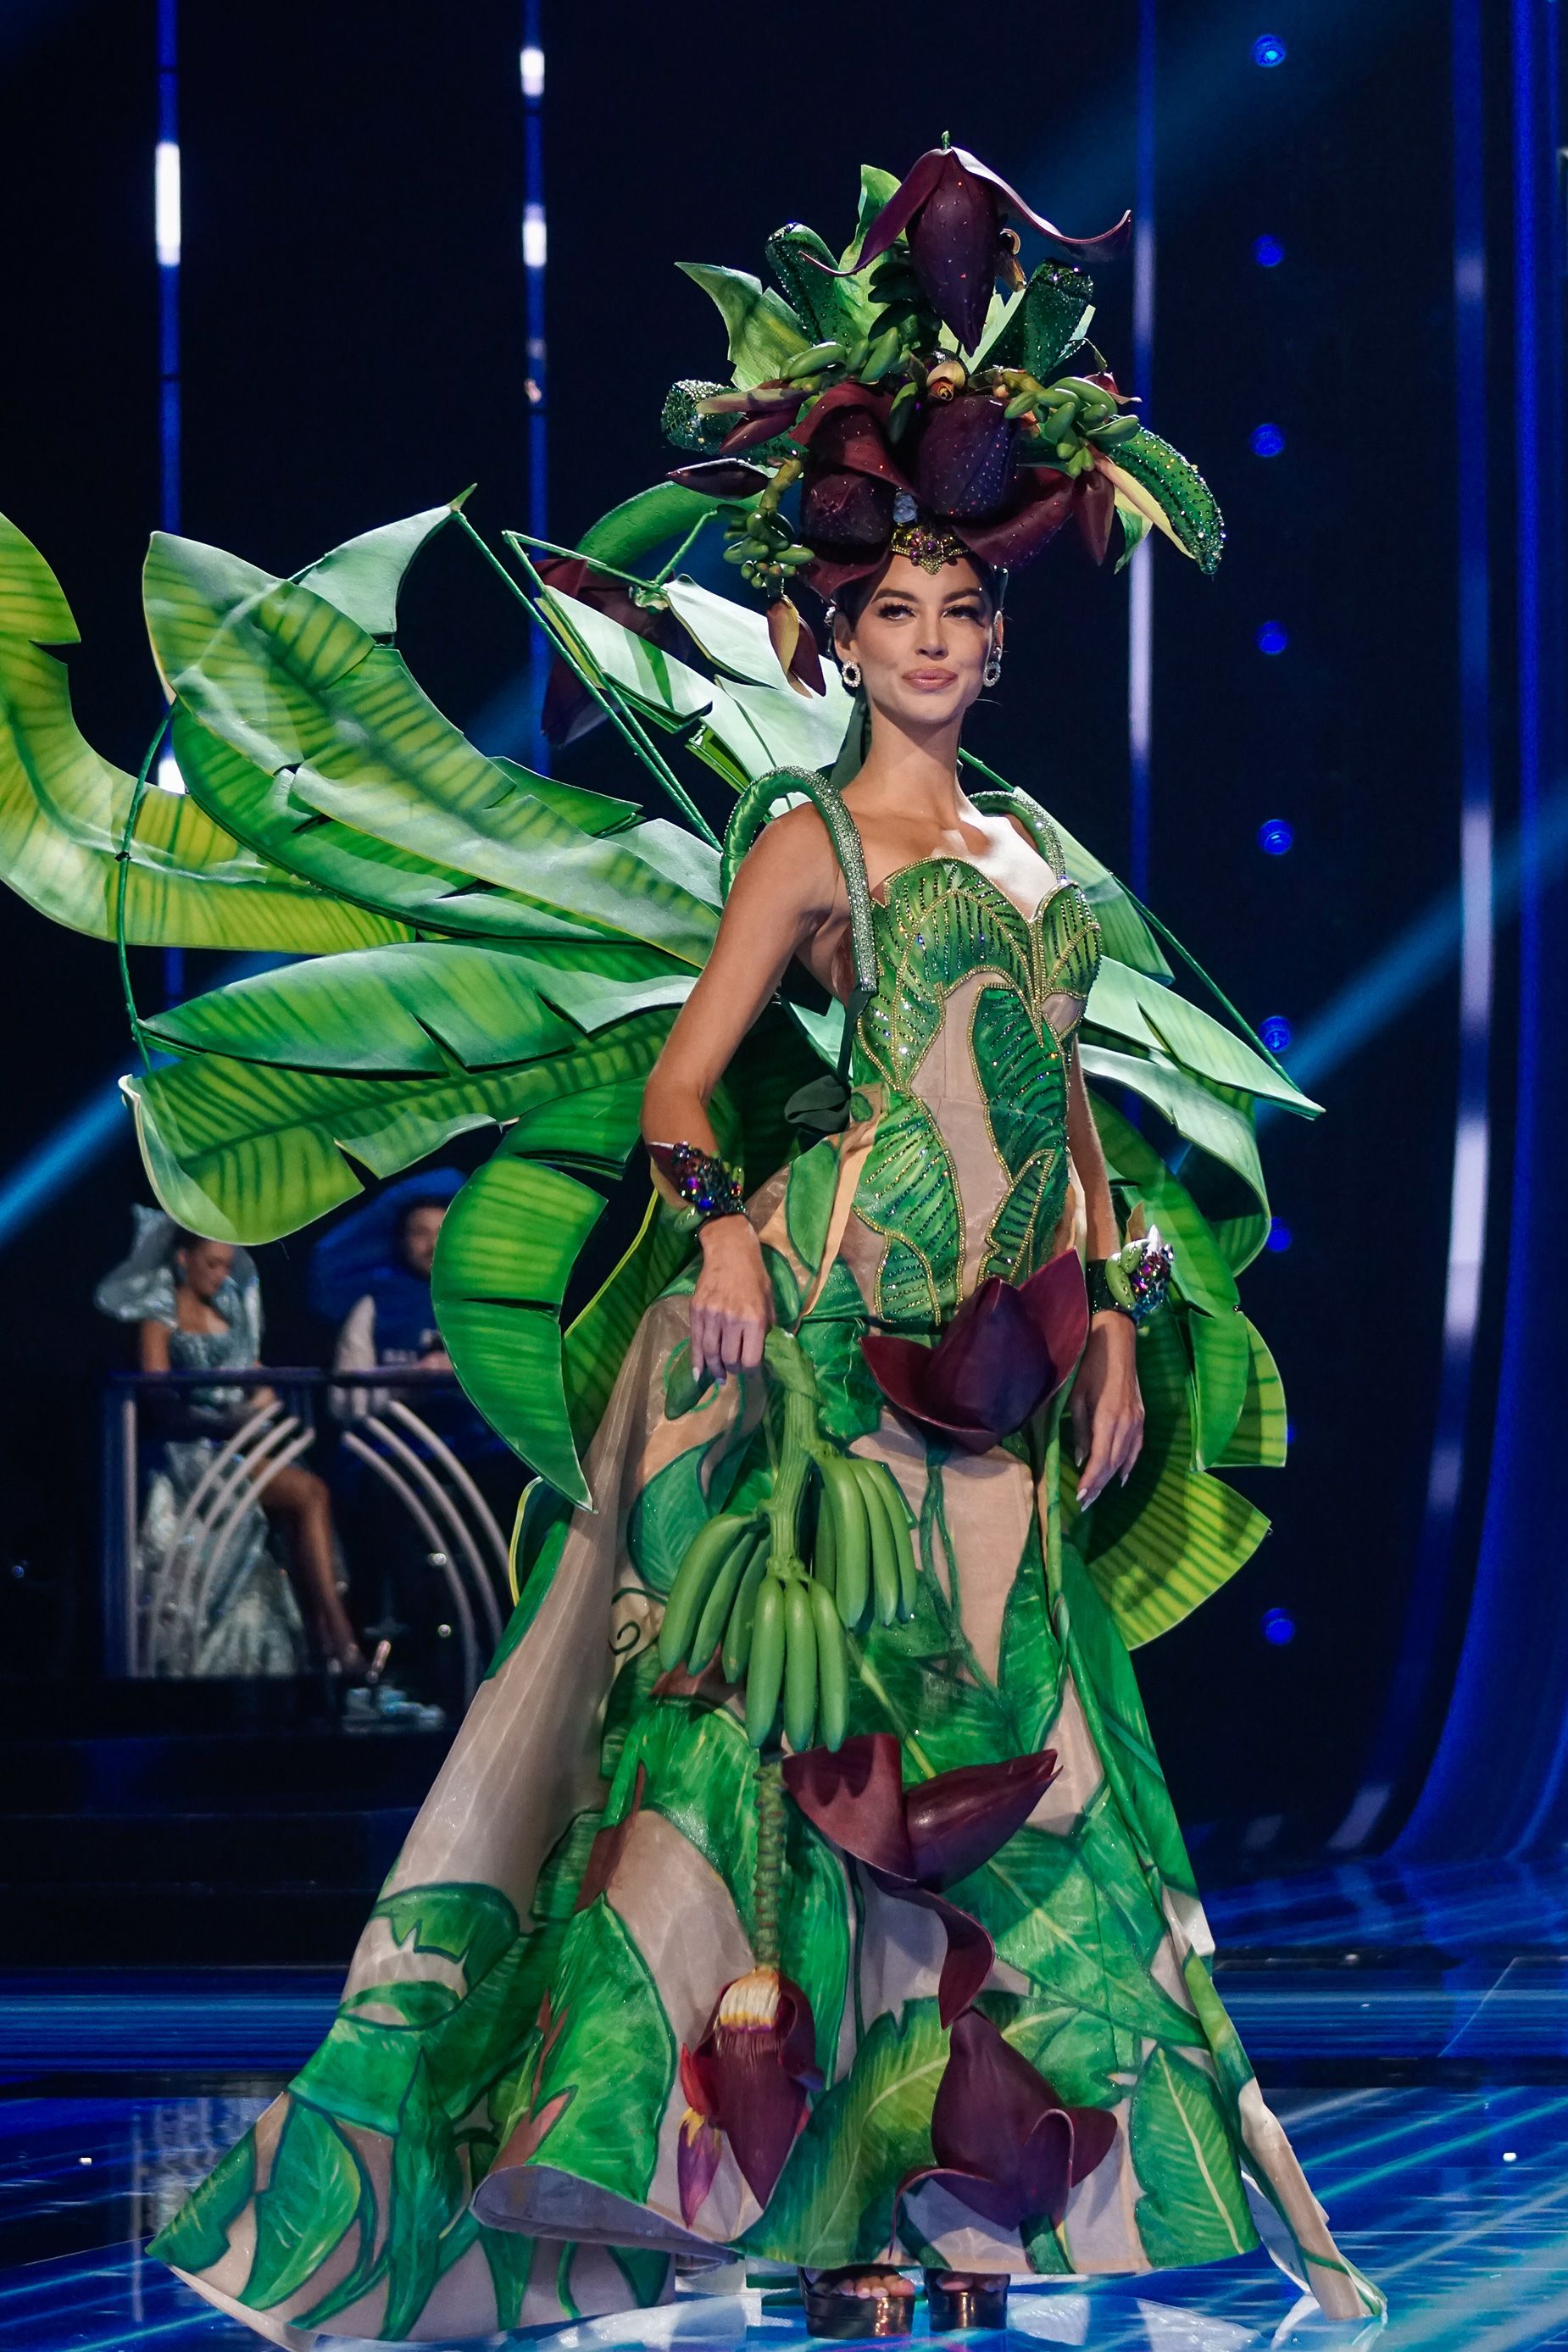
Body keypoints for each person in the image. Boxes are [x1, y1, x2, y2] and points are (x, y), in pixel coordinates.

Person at [16, 142, 1381, 2343]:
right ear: (836, 629)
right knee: (787, 1761)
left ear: (1003, 636)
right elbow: (684, 1078)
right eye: (896, 611)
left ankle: (985, 2195)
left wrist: (1118, 1309)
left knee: (1016, 1764)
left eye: (966, 612)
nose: (932, 640)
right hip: (841, 1337)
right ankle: (792, 2199)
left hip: (1010, 1360)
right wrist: (726, 1221)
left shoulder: (1038, 856)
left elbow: (1079, 1107)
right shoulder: (810, 830)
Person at [98, 1210, 370, 1680]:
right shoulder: (159, 1318)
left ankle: (329, 1633)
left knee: (306, 1501)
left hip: (240, 1444)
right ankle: (339, 1635)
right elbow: (157, 1393)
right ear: (183, 1260)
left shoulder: (227, 1313)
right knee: (309, 1493)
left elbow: (256, 1377)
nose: (221, 1274)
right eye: (212, 1264)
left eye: (227, 1266)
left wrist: (259, 1401)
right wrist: (220, 1417)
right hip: (194, 1450)